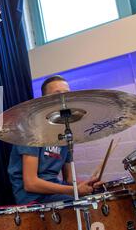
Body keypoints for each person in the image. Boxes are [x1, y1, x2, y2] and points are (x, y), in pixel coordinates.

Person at [7, 75, 101, 205]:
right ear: (45, 100)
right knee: (86, 204)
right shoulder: (30, 130)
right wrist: (74, 190)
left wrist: (87, 185)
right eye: (57, 94)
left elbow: (69, 179)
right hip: (33, 198)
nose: (63, 98)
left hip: (55, 194)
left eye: (67, 94)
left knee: (99, 198)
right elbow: (31, 183)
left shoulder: (66, 131)